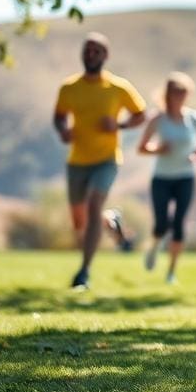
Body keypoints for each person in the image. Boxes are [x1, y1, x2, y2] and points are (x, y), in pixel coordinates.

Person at [53, 33, 146, 289]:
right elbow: (59, 116)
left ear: (106, 56)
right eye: (87, 50)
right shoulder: (69, 87)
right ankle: (110, 219)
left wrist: (119, 125)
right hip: (77, 161)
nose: (91, 55)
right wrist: (63, 130)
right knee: (79, 221)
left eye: (96, 51)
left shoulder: (118, 87)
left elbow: (141, 114)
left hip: (107, 159)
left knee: (93, 205)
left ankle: (84, 272)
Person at [136, 72, 196, 284]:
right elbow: (142, 148)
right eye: (175, 94)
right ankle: (154, 246)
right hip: (162, 177)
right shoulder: (158, 119)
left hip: (186, 177)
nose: (178, 98)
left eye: (182, 94)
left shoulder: (195, 119)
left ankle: (171, 272)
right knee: (161, 224)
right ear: (167, 95)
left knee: (179, 223)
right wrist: (158, 149)